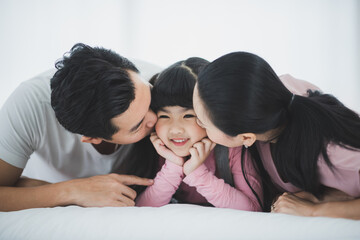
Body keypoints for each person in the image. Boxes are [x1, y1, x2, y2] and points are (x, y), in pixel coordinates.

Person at [193, 51, 360, 219]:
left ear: (246, 138)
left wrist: (312, 210)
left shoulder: (336, 153)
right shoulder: (266, 95)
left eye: (203, 122)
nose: (197, 124)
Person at [0, 43, 160, 211]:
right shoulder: (28, 106)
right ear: (92, 138)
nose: (155, 118)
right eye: (138, 125)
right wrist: (71, 191)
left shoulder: (160, 80)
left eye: (151, 100)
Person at [136, 57, 262, 211]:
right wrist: (174, 166)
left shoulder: (230, 146)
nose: (175, 129)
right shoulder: (157, 147)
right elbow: (141, 209)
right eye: (164, 116)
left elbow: (253, 208)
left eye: (188, 115)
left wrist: (197, 173)